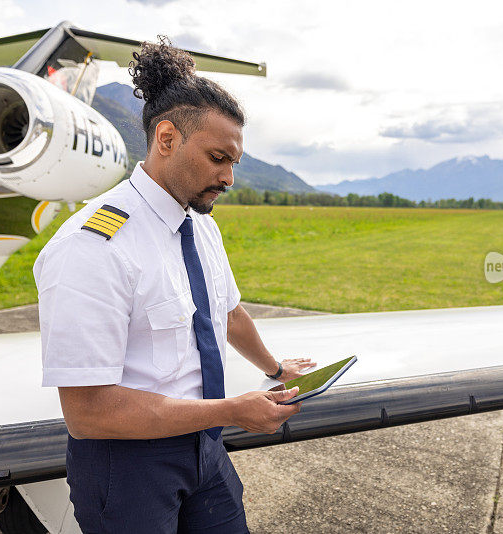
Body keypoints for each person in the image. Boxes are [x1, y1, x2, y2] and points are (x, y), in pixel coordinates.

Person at [33, 36, 315, 533]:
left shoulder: (201, 224)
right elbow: (89, 413)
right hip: (128, 468)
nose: (229, 177)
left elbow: (226, 313)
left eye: (234, 162)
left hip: (205, 448)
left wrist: (274, 367)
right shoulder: (94, 245)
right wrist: (234, 410)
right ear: (167, 139)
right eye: (217, 158)